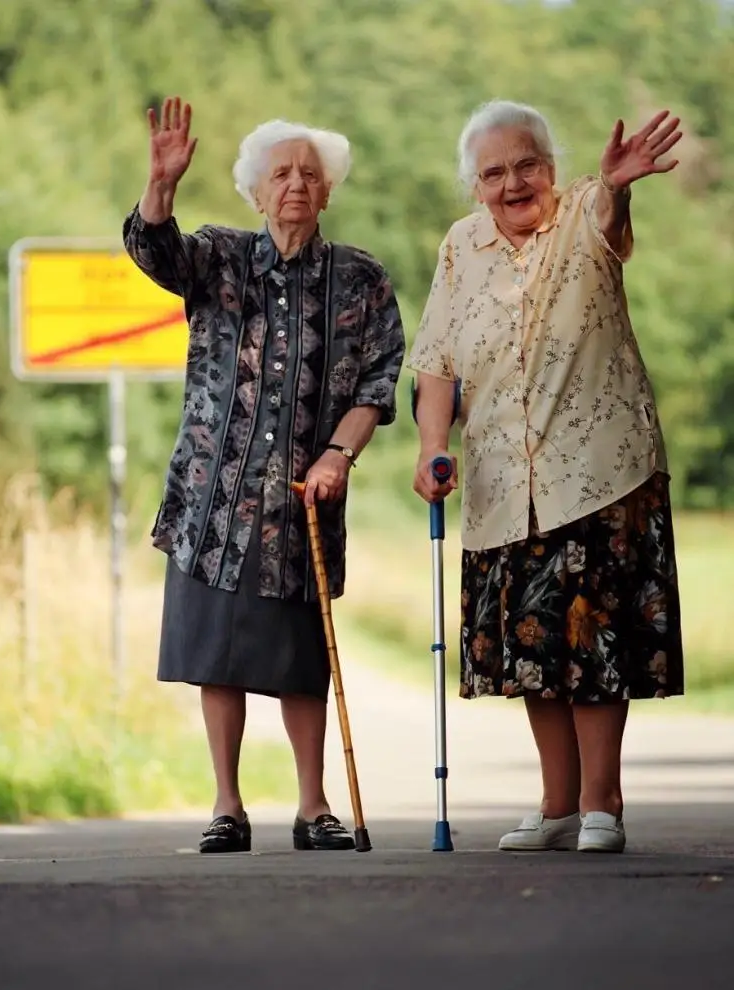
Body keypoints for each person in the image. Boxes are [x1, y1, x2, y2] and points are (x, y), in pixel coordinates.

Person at [122, 97, 405, 853]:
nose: (296, 185)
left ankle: (315, 807)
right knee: (219, 652)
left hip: (302, 499)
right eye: (280, 173)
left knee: (299, 660)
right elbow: (154, 252)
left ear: (329, 189)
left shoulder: (360, 278)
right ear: (255, 190)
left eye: (311, 174)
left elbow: (380, 379)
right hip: (212, 499)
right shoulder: (217, 255)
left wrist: (339, 455)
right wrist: (161, 186)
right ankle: (227, 804)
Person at [409, 99, 685, 854]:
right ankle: (558, 802)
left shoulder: (583, 214)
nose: (512, 183)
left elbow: (610, 220)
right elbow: (435, 360)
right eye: (494, 172)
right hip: (504, 478)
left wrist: (620, 185)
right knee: (535, 642)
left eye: (527, 165)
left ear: (552, 168)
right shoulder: (461, 247)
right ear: (475, 185)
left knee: (593, 640)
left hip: (600, 471)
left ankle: (604, 801)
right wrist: (433, 445)